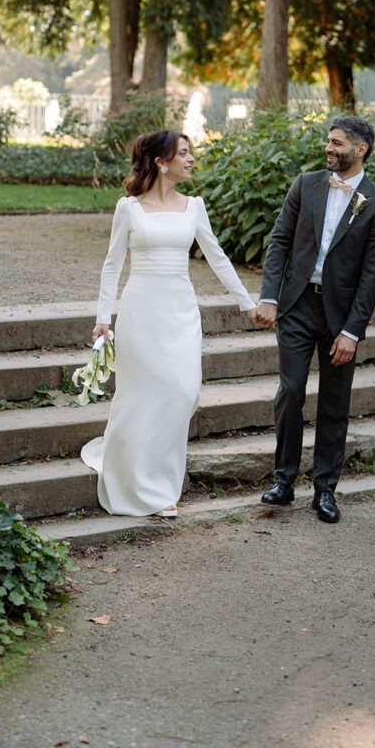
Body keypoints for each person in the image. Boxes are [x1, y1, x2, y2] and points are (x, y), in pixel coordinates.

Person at [81, 129, 258, 518]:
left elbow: (218, 258)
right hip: (141, 309)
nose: (191, 159)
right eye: (184, 153)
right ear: (161, 162)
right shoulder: (128, 208)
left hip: (180, 310)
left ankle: (160, 477)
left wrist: (248, 304)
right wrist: (102, 318)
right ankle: (149, 487)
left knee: (183, 390)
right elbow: (112, 265)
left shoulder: (194, 206)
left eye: (190, 152)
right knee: (140, 394)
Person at [255, 117, 375, 523]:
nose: (328, 148)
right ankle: (283, 481)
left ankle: (325, 490)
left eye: (336, 143)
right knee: (290, 391)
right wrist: (269, 296)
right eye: (328, 142)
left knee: (335, 403)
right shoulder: (306, 183)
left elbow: (373, 276)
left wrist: (352, 331)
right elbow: (280, 239)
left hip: (341, 317)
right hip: (297, 305)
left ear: (361, 149)